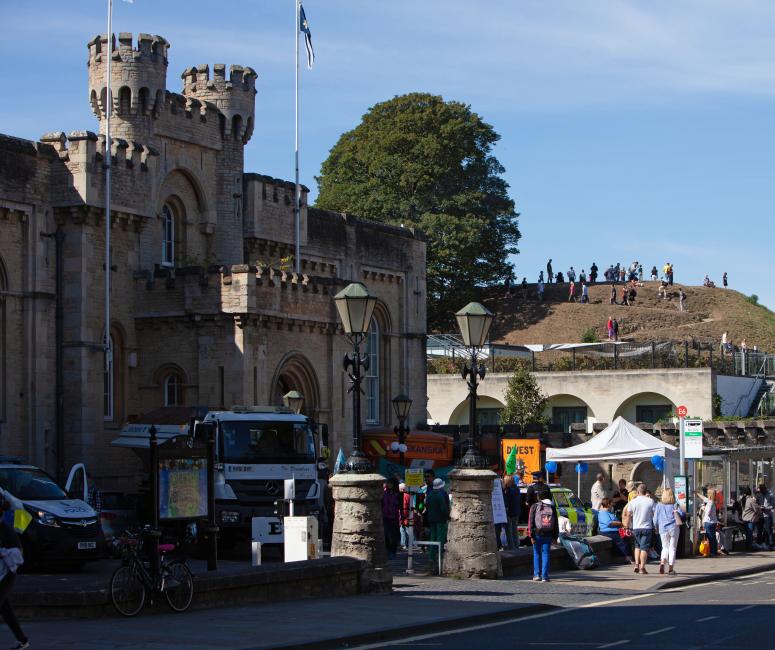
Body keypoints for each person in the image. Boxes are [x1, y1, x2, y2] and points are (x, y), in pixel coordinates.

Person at [0, 497, 29, 650]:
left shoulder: (6, 530)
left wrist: (3, 553)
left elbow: (19, 553)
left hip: (7, 574)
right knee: (6, 610)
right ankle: (22, 640)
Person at [528, 496, 558, 582]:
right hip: (548, 534)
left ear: (538, 497)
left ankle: (537, 575)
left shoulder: (535, 506)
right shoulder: (552, 506)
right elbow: (555, 523)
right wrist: (555, 536)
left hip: (537, 534)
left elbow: (531, 522)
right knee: (546, 554)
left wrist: (531, 536)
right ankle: (545, 576)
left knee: (536, 553)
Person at [653, 487, 682, 575]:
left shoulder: (659, 505)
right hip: (674, 527)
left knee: (665, 547)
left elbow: (655, 519)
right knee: (672, 548)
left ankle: (662, 562)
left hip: (663, 528)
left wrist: (655, 527)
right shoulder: (675, 504)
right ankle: (670, 569)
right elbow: (681, 514)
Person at [627, 484, 655, 574]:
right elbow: (655, 514)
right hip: (647, 527)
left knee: (637, 546)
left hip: (636, 528)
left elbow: (628, 515)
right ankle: (642, 567)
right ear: (646, 492)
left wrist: (627, 527)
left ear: (638, 492)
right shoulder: (650, 501)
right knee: (644, 548)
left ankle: (636, 565)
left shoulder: (633, 502)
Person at [597, 498, 633, 563]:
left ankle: (628, 556)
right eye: (612, 503)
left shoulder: (609, 513)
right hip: (608, 531)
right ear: (608, 504)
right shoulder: (603, 513)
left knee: (626, 537)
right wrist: (620, 523)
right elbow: (609, 523)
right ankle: (626, 557)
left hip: (615, 530)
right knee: (622, 540)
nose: (613, 505)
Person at [425, 477, 450, 572]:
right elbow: (443, 508)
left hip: (431, 519)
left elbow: (426, 505)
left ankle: (431, 557)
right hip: (440, 519)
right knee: (440, 538)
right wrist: (447, 516)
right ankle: (440, 556)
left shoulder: (430, 494)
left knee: (432, 537)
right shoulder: (440, 495)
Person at [382, 478, 401, 558]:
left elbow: (399, 506)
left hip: (394, 517)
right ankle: (388, 550)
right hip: (385, 517)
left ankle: (393, 551)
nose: (389, 485)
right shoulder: (384, 493)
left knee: (393, 536)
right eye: (388, 483)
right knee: (386, 535)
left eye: (391, 483)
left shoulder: (398, 494)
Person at [697, 488, 720, 556]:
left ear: (709, 495)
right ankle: (714, 551)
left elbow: (707, 513)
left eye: (707, 493)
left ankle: (712, 552)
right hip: (713, 522)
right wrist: (697, 493)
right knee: (713, 537)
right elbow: (704, 498)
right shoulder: (711, 501)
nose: (706, 495)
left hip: (709, 522)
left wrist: (703, 508)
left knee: (710, 538)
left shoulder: (710, 503)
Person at [503, 474, 521, 550]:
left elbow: (506, 502)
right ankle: (516, 546)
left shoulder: (508, 490)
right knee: (515, 530)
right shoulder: (516, 488)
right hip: (516, 511)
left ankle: (511, 547)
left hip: (509, 512)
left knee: (508, 531)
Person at [756, 484, 774, 550]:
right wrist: (759, 507)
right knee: (759, 530)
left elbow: (773, 505)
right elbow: (756, 504)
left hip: (767, 515)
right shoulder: (758, 495)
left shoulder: (770, 495)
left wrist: (766, 508)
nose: (761, 490)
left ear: (765, 489)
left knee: (768, 530)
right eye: (760, 489)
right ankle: (760, 544)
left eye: (762, 489)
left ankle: (770, 544)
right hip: (760, 515)